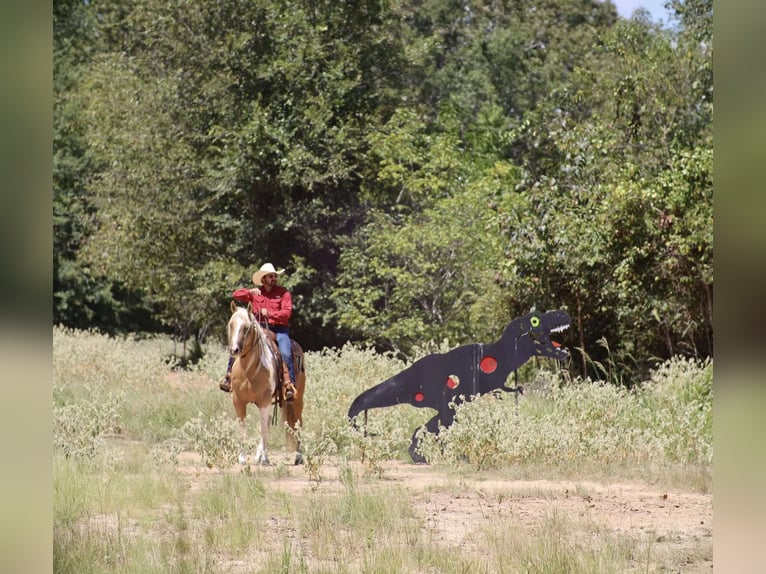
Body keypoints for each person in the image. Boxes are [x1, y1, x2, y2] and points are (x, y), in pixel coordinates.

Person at [220, 263, 297, 396]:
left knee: (285, 351)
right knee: (238, 344)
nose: (274, 278)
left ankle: (288, 384)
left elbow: (286, 313)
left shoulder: (283, 293)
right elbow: (236, 295)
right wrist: (249, 292)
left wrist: (270, 313)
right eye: (271, 276)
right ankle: (229, 377)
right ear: (263, 279)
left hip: (279, 329)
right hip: (259, 328)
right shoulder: (256, 293)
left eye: (275, 276)